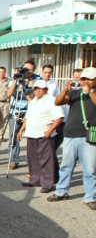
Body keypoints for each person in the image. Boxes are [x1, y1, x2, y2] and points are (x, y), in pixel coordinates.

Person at [47, 67, 96, 210]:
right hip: (70, 135)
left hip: (88, 136)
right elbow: (58, 102)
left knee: (90, 169)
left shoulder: (92, 93)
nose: (85, 82)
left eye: (88, 79)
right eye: (83, 79)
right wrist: (65, 90)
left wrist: (90, 91)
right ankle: (61, 192)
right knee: (66, 166)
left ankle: (91, 197)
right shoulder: (76, 93)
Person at [17, 80, 64, 193]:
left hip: (44, 135)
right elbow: (27, 117)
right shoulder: (33, 101)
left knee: (46, 160)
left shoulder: (51, 100)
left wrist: (49, 131)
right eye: (36, 88)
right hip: (32, 134)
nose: (38, 90)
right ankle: (35, 179)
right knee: (33, 159)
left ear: (46, 89)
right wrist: (21, 130)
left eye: (40, 88)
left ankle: (47, 184)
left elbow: (59, 117)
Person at [6, 60, 40, 170]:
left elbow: (38, 95)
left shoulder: (37, 79)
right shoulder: (15, 77)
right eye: (26, 69)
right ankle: (13, 160)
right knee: (13, 137)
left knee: (31, 137)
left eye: (30, 69)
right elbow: (9, 94)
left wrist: (32, 86)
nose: (28, 71)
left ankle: (30, 160)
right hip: (15, 110)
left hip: (30, 112)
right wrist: (16, 81)